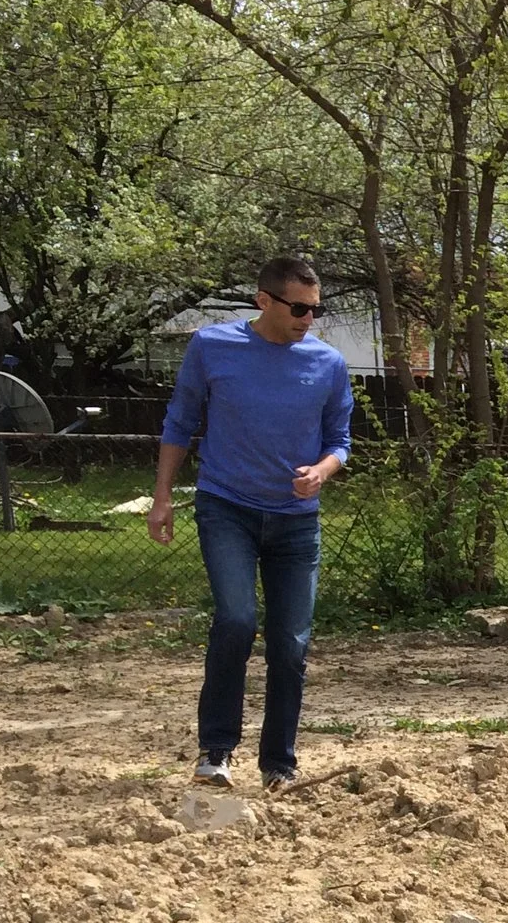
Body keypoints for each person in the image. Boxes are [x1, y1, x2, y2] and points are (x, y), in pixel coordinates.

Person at [148, 254, 354, 791]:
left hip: (295, 521)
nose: (309, 318)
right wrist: (162, 497)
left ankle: (279, 765)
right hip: (227, 508)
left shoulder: (328, 363)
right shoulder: (212, 347)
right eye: (299, 308)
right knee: (237, 620)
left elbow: (340, 441)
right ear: (263, 300)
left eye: (316, 309)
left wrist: (324, 471)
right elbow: (180, 422)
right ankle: (215, 752)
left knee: (290, 643)